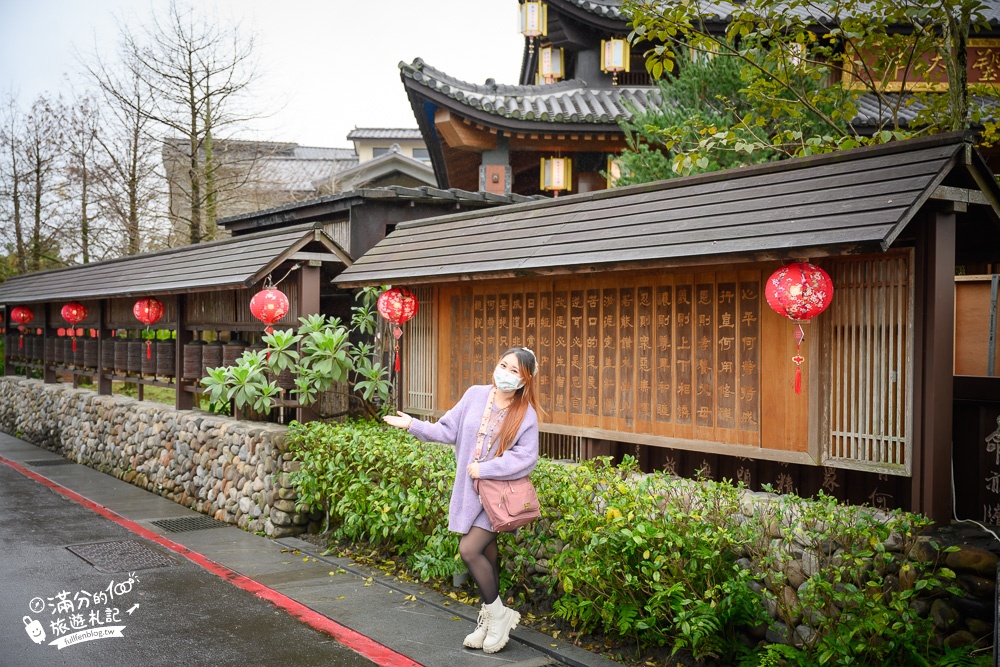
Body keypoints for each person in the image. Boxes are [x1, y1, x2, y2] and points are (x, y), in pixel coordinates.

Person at [383, 346, 540, 654]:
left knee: (469, 550)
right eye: (503, 365)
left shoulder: (526, 414)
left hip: (496, 499)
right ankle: (490, 618)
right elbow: (447, 430)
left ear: (525, 380)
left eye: (514, 371)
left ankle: (499, 615)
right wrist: (412, 425)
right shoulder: (475, 395)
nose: (505, 374)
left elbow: (527, 458)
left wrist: (486, 468)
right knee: (488, 553)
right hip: (471, 495)